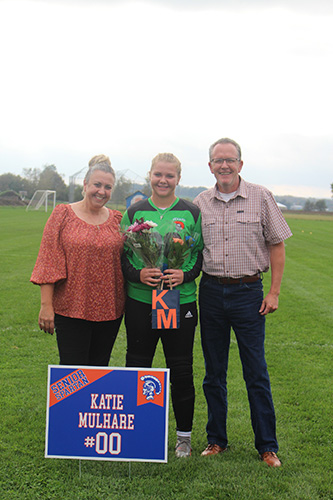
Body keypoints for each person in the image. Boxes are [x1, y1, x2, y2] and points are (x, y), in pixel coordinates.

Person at [193, 138, 292, 467]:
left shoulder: (260, 197)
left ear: (240, 164)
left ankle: (266, 445)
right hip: (209, 292)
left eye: (230, 160)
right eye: (218, 160)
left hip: (248, 293)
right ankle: (216, 440)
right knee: (213, 372)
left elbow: (277, 245)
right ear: (210, 166)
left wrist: (274, 292)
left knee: (256, 372)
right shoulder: (200, 203)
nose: (224, 166)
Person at [121, 153, 203, 458]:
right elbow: (124, 260)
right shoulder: (135, 212)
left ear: (178, 179)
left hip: (179, 302)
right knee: (138, 365)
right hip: (142, 301)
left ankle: (184, 438)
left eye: (169, 176)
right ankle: (137, 432)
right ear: (149, 176)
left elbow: (199, 257)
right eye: (158, 175)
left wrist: (185, 274)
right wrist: (139, 274)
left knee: (180, 369)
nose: (163, 181)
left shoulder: (191, 212)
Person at [31, 155, 125, 366]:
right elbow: (48, 261)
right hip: (71, 309)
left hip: (110, 312)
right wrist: (46, 306)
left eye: (108, 187)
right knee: (73, 375)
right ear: (85, 184)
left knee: (99, 371)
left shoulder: (117, 220)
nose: (101, 191)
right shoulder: (63, 215)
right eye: (97, 185)